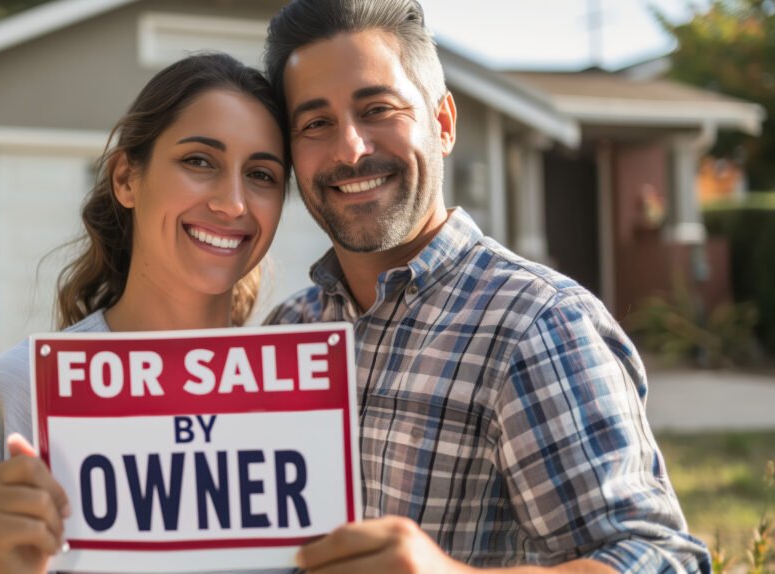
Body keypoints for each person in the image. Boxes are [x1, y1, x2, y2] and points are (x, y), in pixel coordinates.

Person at [260, 0, 711, 572]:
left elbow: (661, 560)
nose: (351, 149)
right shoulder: (289, 329)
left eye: (378, 108)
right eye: (316, 123)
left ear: (443, 123)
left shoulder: (536, 325)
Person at [0, 53, 290, 574]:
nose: (234, 203)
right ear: (126, 178)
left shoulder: (300, 398)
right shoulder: (19, 391)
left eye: (262, 174)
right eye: (199, 161)